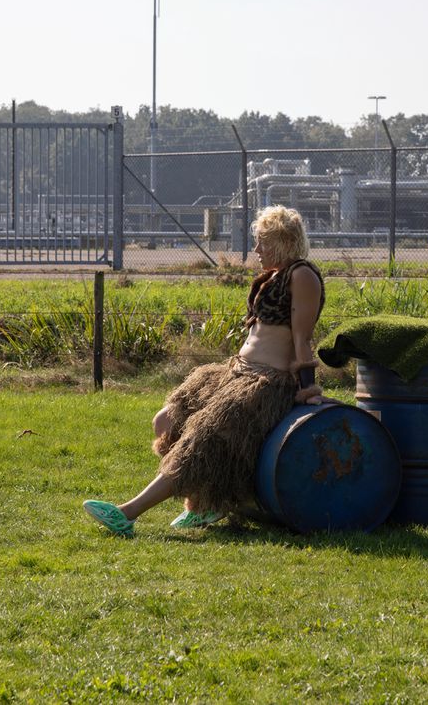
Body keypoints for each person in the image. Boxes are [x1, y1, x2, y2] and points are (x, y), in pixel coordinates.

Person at [83, 205, 325, 536]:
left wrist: (308, 389)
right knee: (165, 421)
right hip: (234, 373)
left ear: (281, 241)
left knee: (201, 440)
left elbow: (302, 339)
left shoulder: (303, 275)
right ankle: (206, 504)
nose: (255, 250)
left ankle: (128, 513)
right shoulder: (271, 276)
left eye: (261, 243)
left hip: (266, 383)